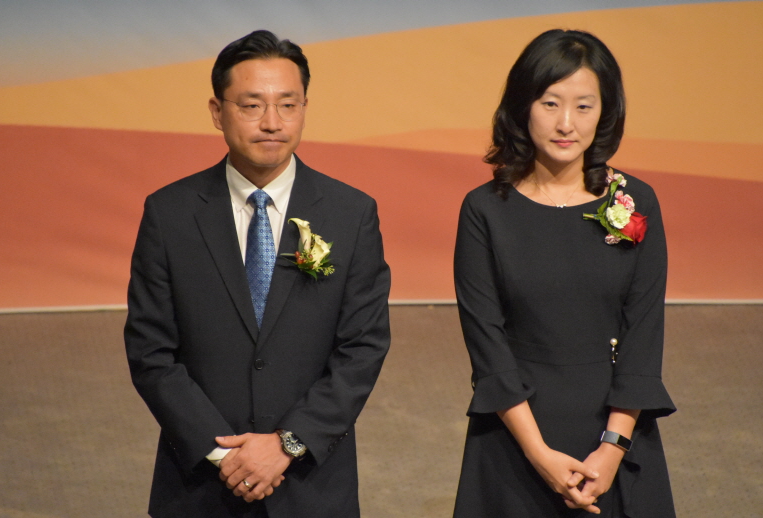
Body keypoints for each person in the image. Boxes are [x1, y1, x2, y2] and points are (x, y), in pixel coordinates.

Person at [124, 30, 390, 518]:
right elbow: (150, 351)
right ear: (217, 111)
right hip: (201, 485)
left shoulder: (351, 214)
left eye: (288, 105)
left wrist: (287, 443)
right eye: (251, 105)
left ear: (304, 108)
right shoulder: (170, 213)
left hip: (311, 484)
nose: (272, 122)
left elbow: (363, 348)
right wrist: (225, 455)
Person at [453, 29, 676, 517]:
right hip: (515, 437)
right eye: (550, 103)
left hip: (613, 436)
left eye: (584, 106)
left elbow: (643, 334)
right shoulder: (484, 210)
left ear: (605, 112)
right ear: (522, 107)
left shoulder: (636, 201)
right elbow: (487, 344)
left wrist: (612, 450)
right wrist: (538, 454)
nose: (566, 124)